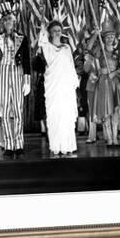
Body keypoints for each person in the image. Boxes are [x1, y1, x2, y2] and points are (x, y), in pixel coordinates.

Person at [0, 2, 31, 156]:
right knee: (5, 109)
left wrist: (27, 80)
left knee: (17, 109)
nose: (8, 22)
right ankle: (9, 143)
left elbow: (27, 60)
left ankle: (19, 142)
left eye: (10, 19)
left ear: (14, 21)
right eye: (5, 20)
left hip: (17, 71)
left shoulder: (21, 37)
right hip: (2, 71)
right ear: (1, 22)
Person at [38, 20, 79, 156]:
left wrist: (74, 82)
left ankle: (68, 145)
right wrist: (43, 29)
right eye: (54, 30)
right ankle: (56, 146)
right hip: (54, 88)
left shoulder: (66, 48)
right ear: (50, 32)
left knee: (66, 116)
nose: (57, 32)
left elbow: (71, 66)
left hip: (66, 88)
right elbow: (42, 42)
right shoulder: (48, 47)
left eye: (59, 30)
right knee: (55, 116)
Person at [88, 18, 120, 148]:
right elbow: (88, 49)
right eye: (107, 36)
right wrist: (95, 34)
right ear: (104, 38)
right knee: (106, 111)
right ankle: (109, 139)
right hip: (103, 82)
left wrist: (115, 72)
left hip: (114, 82)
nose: (110, 38)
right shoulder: (100, 51)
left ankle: (116, 139)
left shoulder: (118, 52)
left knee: (116, 111)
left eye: (112, 36)